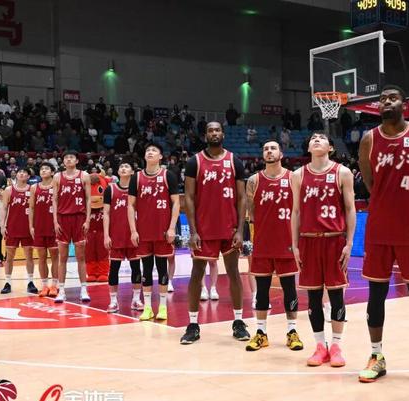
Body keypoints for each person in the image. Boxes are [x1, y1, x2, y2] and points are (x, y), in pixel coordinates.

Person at [356, 85, 409, 384]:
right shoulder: (369, 139)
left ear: (405, 104)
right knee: (376, 293)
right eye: (382, 99)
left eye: (392, 98)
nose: (386, 102)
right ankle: (376, 356)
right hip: (379, 227)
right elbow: (369, 182)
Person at [291, 132, 356, 367]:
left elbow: (350, 209)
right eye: (313, 138)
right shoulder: (298, 175)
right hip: (309, 241)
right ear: (308, 147)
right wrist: (294, 245)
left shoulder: (343, 172)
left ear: (330, 147)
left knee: (337, 296)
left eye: (322, 138)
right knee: (314, 297)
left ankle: (336, 346)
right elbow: (296, 212)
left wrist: (349, 243)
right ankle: (320, 346)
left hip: (334, 240)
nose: (316, 139)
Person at [181, 122, 248, 344]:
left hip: (229, 228)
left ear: (223, 134)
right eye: (210, 130)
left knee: (234, 273)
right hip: (204, 229)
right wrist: (193, 231)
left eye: (217, 130)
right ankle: (192, 325)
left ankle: (238, 322)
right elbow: (189, 197)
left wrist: (240, 230)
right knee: (196, 273)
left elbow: (242, 198)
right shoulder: (195, 162)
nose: (214, 133)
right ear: (205, 135)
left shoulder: (234, 161)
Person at [244, 140, 303, 352]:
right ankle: (261, 333)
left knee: (290, 289)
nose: (269, 151)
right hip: (263, 243)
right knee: (262, 291)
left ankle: (292, 331)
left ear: (281, 153)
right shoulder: (254, 180)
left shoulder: (293, 178)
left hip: (287, 243)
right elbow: (250, 213)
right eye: (265, 149)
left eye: (273, 148)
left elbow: (300, 210)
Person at [128, 143, 180, 321]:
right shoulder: (136, 177)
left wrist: (172, 227)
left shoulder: (168, 175)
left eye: (154, 150)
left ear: (160, 156)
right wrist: (133, 230)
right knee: (146, 269)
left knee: (162, 268)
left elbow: (176, 203)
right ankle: (148, 307)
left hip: (162, 231)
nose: (150, 152)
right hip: (143, 231)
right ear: (144, 156)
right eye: (148, 150)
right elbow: (130, 205)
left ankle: (163, 307)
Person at [103, 161, 143, 313]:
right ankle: (113, 301)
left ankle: (136, 299)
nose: (123, 168)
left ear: (132, 172)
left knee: (136, 268)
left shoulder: (137, 190)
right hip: (116, 235)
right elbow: (106, 213)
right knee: (114, 269)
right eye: (121, 167)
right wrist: (106, 235)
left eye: (127, 166)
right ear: (118, 172)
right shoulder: (110, 189)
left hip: (134, 235)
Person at [52, 151, 92, 303]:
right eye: (66, 158)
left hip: (79, 218)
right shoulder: (57, 177)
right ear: (63, 162)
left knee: (81, 257)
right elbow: (54, 200)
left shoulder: (84, 175)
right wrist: (55, 221)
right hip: (62, 218)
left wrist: (87, 220)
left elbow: (88, 199)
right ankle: (61, 291)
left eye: (71, 157)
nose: (68, 159)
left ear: (76, 161)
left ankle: (84, 289)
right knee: (62, 257)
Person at [0, 168, 38, 295]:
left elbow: (35, 208)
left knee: (29, 256)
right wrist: (2, 225)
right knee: (9, 257)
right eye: (20, 172)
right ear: (16, 175)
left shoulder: (32, 189)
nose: (22, 174)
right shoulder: (9, 190)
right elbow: (4, 208)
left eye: (24, 172)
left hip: (27, 227)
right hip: (12, 227)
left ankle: (30, 282)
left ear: (28, 176)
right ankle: (7, 283)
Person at [29, 162, 59, 297]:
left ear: (52, 172)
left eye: (46, 168)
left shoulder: (57, 185)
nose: (43, 170)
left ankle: (54, 285)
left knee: (55, 257)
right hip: (39, 226)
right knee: (41, 257)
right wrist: (31, 226)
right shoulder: (34, 187)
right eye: (41, 169)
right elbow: (31, 208)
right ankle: (44, 286)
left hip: (53, 226)